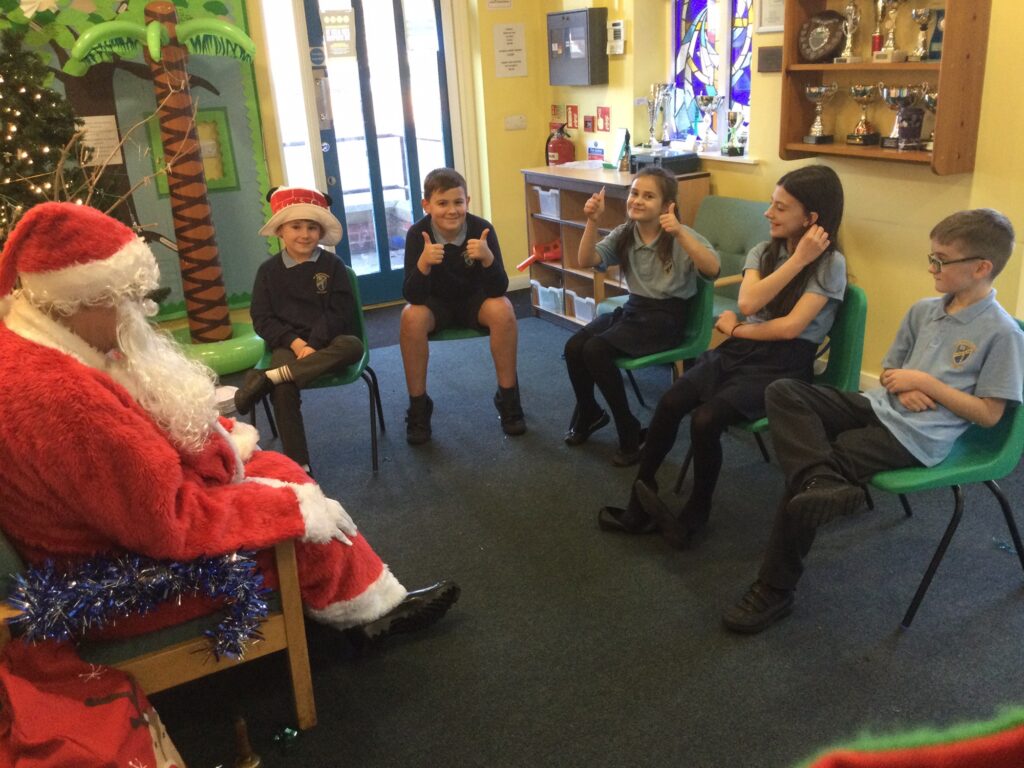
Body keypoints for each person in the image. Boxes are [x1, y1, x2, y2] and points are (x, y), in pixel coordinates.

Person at [0, 201, 459, 644]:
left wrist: (221, 449)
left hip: (119, 536)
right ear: (82, 299)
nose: (137, 315)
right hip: (111, 580)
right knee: (303, 523)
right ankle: (368, 617)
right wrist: (290, 511)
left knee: (279, 469)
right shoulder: (60, 396)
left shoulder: (51, 349)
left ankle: (351, 599)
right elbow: (167, 522)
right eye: (129, 301)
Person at [722, 208, 1024, 634]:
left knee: (816, 468)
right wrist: (900, 383)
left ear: (981, 268)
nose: (931, 267)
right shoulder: (923, 310)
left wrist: (926, 383)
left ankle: (775, 589)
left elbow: (990, 415)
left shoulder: (1004, 334)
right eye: (931, 257)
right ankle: (821, 480)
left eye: (940, 260)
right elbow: (889, 370)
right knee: (785, 392)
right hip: (880, 406)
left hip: (917, 436)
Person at [599, 165, 848, 543]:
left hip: (785, 365)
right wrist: (743, 327)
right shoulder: (763, 250)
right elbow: (749, 302)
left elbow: (790, 329)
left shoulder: (831, 265)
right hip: (744, 350)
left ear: (810, 219)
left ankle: (697, 513)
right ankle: (640, 499)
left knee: (705, 419)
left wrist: (739, 327)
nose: (768, 213)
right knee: (671, 401)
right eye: (771, 203)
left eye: (780, 208)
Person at [564, 166, 719, 466]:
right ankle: (590, 412)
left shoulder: (681, 236)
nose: (637, 200)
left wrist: (679, 232)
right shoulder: (626, 233)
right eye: (634, 193)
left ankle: (628, 429)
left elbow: (712, 268)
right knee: (574, 347)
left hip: (666, 319)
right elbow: (585, 259)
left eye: (648, 196)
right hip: (635, 310)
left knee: (595, 350)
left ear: (667, 205)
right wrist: (592, 221)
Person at [233, 187, 363, 475]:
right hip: (287, 345)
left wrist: (313, 344)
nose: (304, 234)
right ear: (281, 230)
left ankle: (268, 378)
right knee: (284, 389)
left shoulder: (333, 265)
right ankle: (300, 465)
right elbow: (262, 318)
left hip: (329, 342)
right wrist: (295, 343)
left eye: (312, 227)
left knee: (353, 345)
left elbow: (340, 311)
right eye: (296, 227)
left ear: (320, 232)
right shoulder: (268, 272)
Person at [400, 167, 524, 444]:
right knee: (410, 316)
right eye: (442, 203)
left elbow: (498, 288)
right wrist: (423, 265)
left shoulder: (481, 229)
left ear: (467, 201)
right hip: (435, 305)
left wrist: (488, 258)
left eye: (458, 202)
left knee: (503, 308)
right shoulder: (417, 234)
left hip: (473, 302)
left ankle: (508, 398)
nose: (452, 210)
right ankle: (419, 406)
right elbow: (413, 296)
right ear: (426, 205)